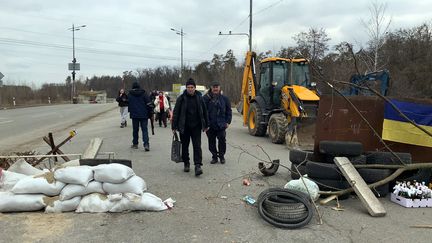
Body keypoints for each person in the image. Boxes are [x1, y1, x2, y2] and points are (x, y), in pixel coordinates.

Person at [172, 78, 209, 176]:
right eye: (188, 87)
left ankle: (198, 165)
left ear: (195, 88)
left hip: (196, 126)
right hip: (184, 127)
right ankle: (186, 163)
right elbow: (176, 112)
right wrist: (174, 126)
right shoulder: (181, 98)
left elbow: (204, 112)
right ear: (186, 88)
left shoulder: (199, 97)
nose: (190, 89)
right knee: (185, 146)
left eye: (192, 87)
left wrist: (206, 124)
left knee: (197, 146)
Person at [203, 81, 232, 164]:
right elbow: (202, 111)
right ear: (211, 88)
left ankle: (222, 156)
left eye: (217, 87)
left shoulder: (225, 99)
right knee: (211, 141)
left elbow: (228, 111)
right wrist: (204, 124)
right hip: (210, 125)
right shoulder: (206, 98)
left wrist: (228, 122)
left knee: (222, 139)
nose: (215, 88)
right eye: (214, 87)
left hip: (221, 124)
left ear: (219, 88)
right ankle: (214, 157)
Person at [128, 82, 152, 151]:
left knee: (135, 130)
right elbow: (148, 103)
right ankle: (146, 144)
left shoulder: (130, 94)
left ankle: (135, 144)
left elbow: (128, 103)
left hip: (134, 115)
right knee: (144, 130)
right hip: (144, 114)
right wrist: (150, 112)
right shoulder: (144, 93)